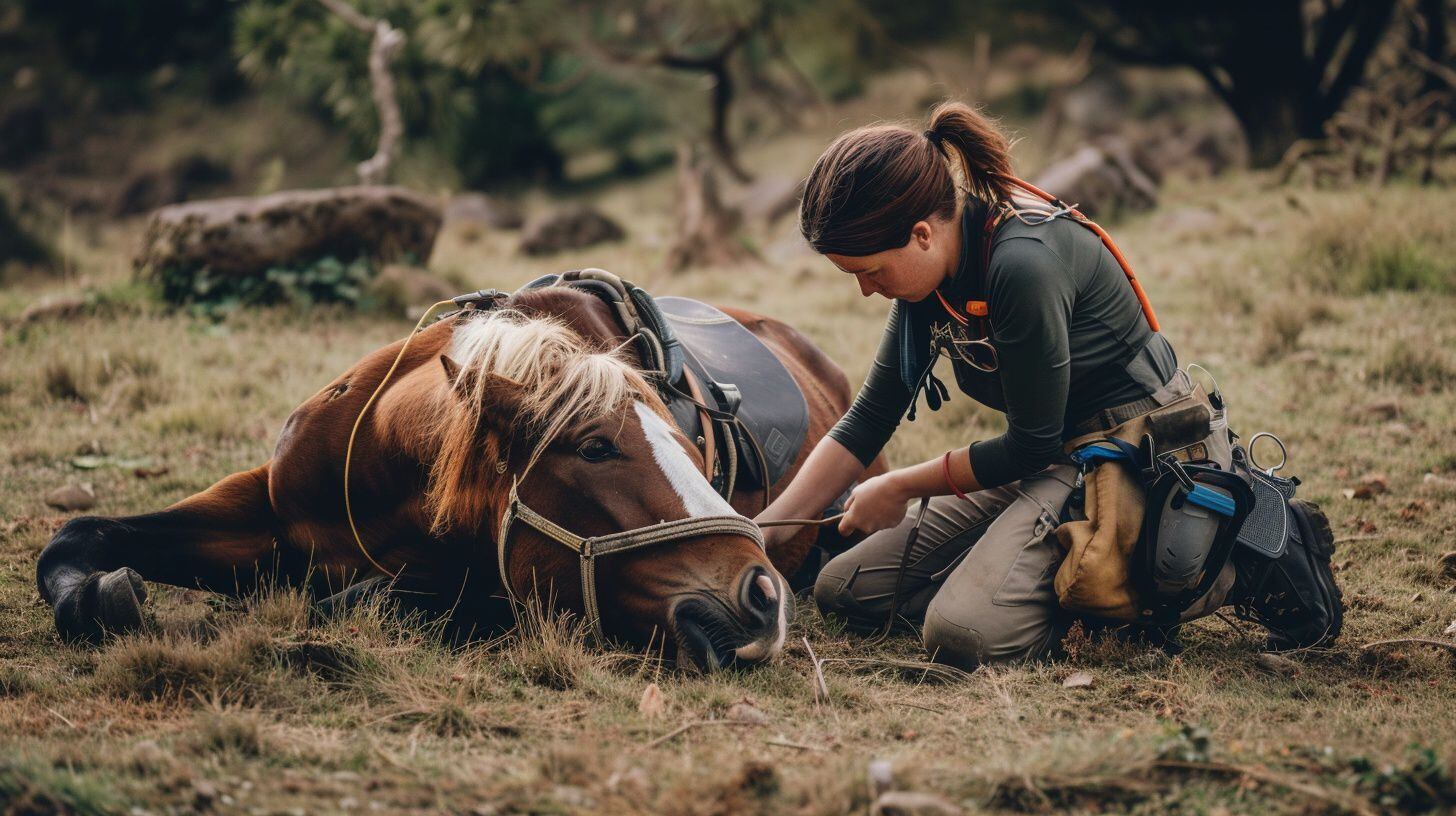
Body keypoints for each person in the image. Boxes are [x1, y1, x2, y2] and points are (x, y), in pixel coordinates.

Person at [754, 101, 1343, 669]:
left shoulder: (1022, 263)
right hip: (1047, 457)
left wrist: (901, 485)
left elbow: (1029, 445)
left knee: (963, 635)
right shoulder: (927, 278)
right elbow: (867, 421)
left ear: (921, 234)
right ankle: (1014, 577)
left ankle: (1252, 554)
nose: (866, 290)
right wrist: (760, 534)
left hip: (1135, 452)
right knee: (845, 589)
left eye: (870, 271)